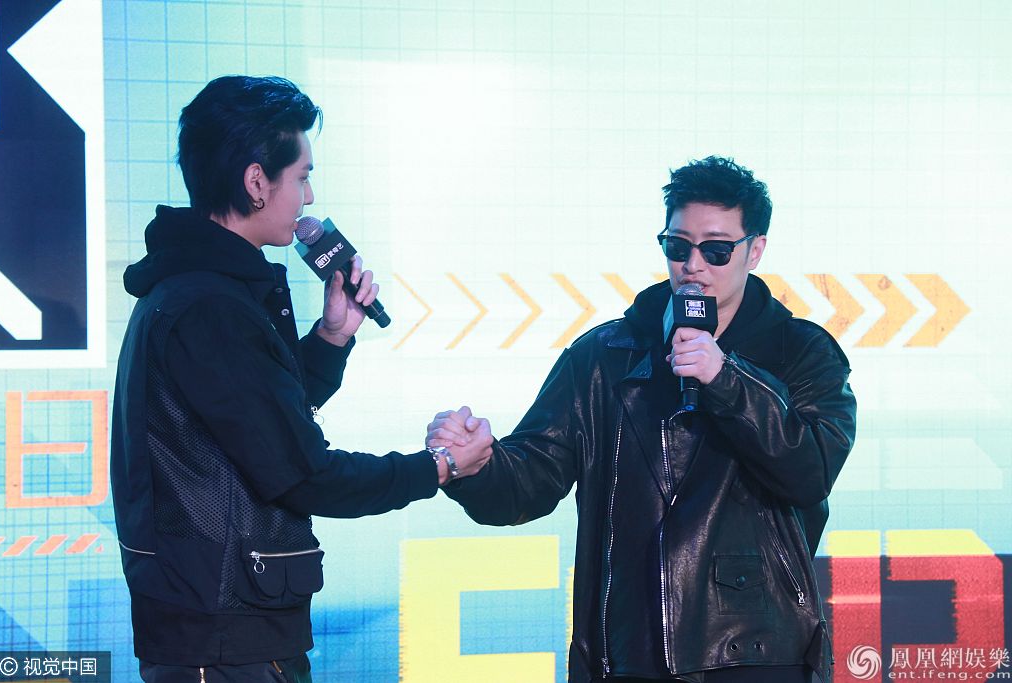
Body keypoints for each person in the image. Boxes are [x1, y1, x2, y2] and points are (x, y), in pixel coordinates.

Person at [110, 75, 492, 683]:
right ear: (256, 182)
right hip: (224, 642)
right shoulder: (209, 307)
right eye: (302, 177)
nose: (309, 198)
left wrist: (332, 337)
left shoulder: (202, 291)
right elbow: (302, 472)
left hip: (230, 632)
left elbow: (255, 426)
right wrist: (440, 466)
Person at [428, 157, 856, 683]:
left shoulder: (803, 353)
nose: (693, 265)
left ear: (755, 250)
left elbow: (809, 472)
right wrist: (476, 465)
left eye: (716, 250)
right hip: (632, 645)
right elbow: (531, 481)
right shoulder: (604, 356)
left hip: (755, 647)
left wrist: (725, 380)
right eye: (678, 246)